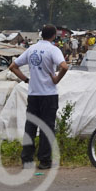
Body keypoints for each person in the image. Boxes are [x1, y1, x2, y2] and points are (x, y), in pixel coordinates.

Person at [8, 24, 69, 170]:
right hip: (48, 95)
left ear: (41, 34)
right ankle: (44, 161)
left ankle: (27, 160)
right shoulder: (53, 49)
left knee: (30, 127)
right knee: (47, 128)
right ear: (54, 35)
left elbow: (13, 67)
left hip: (33, 94)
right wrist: (56, 79)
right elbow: (64, 66)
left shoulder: (31, 49)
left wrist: (26, 80)